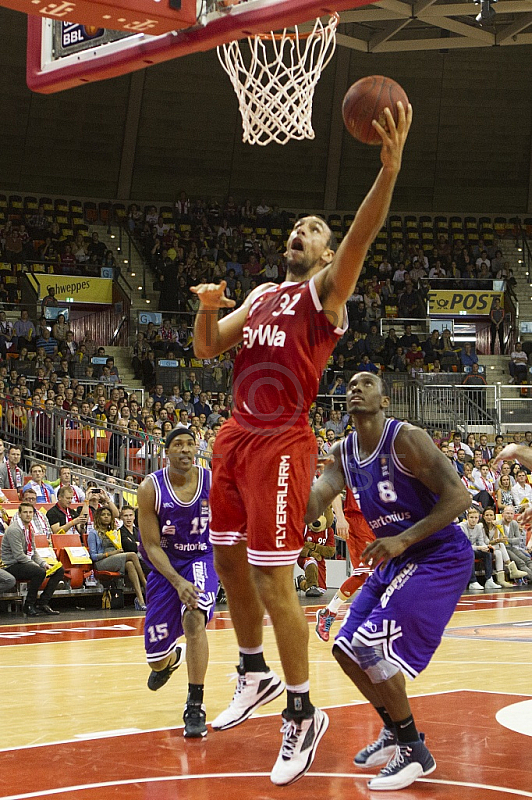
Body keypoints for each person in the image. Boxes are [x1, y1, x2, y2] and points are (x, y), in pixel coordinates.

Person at [190, 103, 412, 785]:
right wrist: (205, 305)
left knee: (273, 579)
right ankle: (253, 670)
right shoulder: (258, 295)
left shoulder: (325, 293)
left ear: (323, 252)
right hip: (233, 435)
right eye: (296, 228)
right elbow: (206, 350)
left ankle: (301, 712)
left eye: (312, 230)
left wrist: (388, 170)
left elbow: (362, 240)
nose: (300, 233)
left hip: (283, 442)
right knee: (227, 563)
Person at [305, 371, 472, 791]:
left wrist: (404, 538)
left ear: (384, 401)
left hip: (439, 555)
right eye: (350, 385)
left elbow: (460, 497)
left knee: (370, 647)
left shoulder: (406, 438)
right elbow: (313, 506)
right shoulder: (343, 452)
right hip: (396, 557)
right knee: (345, 649)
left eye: (366, 383)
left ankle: (414, 748)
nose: (355, 388)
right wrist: (278, 479)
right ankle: (397, 731)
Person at [137, 428, 218, 738]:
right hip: (166, 564)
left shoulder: (212, 480)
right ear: (166, 451)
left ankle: (195, 704)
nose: (185, 449)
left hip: (203, 558)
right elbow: (152, 546)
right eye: (178, 445)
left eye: (190, 444)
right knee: (156, 661)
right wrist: (177, 581)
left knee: (195, 618)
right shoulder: (150, 488)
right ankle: (170, 660)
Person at [315, 488, 374, 642]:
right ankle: (338, 615)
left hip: (379, 521)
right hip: (357, 521)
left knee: (380, 574)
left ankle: (329, 612)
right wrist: (340, 518)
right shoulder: (349, 464)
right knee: (365, 573)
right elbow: (333, 489)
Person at [2, 501, 64, 616]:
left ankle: (43, 603)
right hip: (11, 565)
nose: (28, 515)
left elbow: (34, 552)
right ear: (19, 514)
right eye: (25, 512)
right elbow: (18, 555)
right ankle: (29, 605)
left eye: (30, 512)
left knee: (59, 570)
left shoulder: (29, 528)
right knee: (38, 572)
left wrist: (43, 563)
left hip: (25, 562)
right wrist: (36, 566)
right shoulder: (14, 529)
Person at [88, 506, 147, 610]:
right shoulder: (93, 533)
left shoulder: (115, 531)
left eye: (108, 515)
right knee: (132, 555)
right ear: (98, 517)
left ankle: (140, 599)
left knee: (130, 564)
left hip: (116, 558)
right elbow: (93, 556)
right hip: (101, 562)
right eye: (103, 515)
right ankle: (146, 586)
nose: (106, 517)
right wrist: (112, 553)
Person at [459, 507, 501, 591]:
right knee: (470, 553)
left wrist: (486, 547)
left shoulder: (479, 527)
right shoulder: (461, 527)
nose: (473, 520)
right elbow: (464, 545)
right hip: (460, 550)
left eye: (476, 518)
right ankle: (472, 582)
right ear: (467, 518)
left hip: (473, 549)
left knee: (488, 552)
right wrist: (479, 547)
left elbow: (481, 541)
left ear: (479, 518)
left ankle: (489, 580)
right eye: (471, 517)